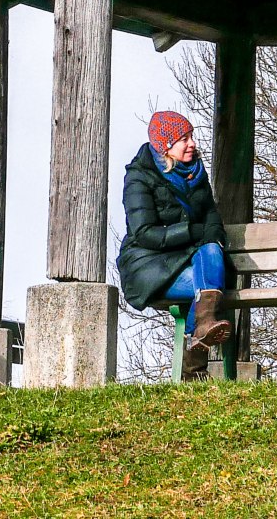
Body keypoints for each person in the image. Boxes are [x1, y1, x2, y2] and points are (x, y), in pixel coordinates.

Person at [116, 110, 233, 382]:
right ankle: (195, 362)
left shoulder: (196, 173)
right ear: (167, 146)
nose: (192, 143)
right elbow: (145, 233)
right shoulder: (138, 178)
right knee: (207, 285)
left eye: (191, 137)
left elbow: (211, 216)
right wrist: (194, 232)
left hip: (191, 259)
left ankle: (197, 352)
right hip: (150, 267)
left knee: (211, 255)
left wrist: (211, 235)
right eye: (184, 139)